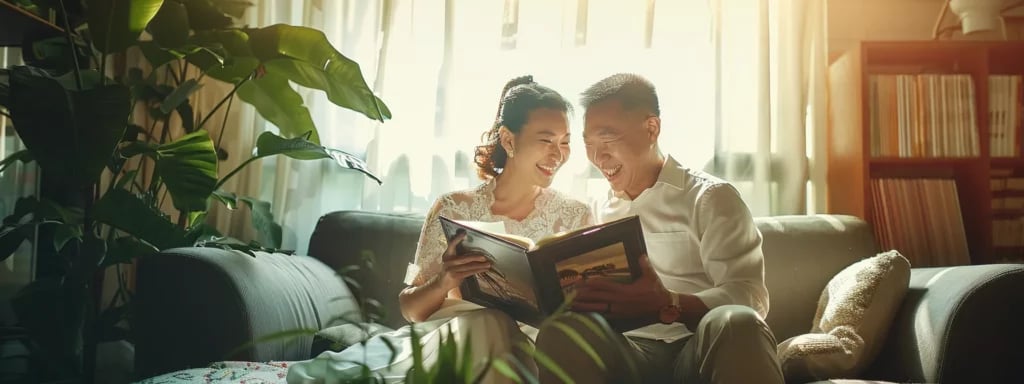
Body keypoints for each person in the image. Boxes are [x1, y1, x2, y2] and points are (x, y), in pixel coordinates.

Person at [286, 75, 594, 383]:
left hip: (537, 353)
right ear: (509, 140)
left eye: (565, 142)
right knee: (491, 323)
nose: (558, 154)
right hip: (455, 339)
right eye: (546, 140)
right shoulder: (453, 209)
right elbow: (411, 309)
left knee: (502, 328)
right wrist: (445, 280)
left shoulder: (575, 215)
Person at [533, 73, 784, 384]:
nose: (598, 158)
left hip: (697, 349)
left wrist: (670, 303)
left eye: (608, 140)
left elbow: (750, 298)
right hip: (627, 352)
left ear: (652, 128)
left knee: (737, 320)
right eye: (589, 144)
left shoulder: (710, 198)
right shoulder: (597, 207)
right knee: (561, 331)